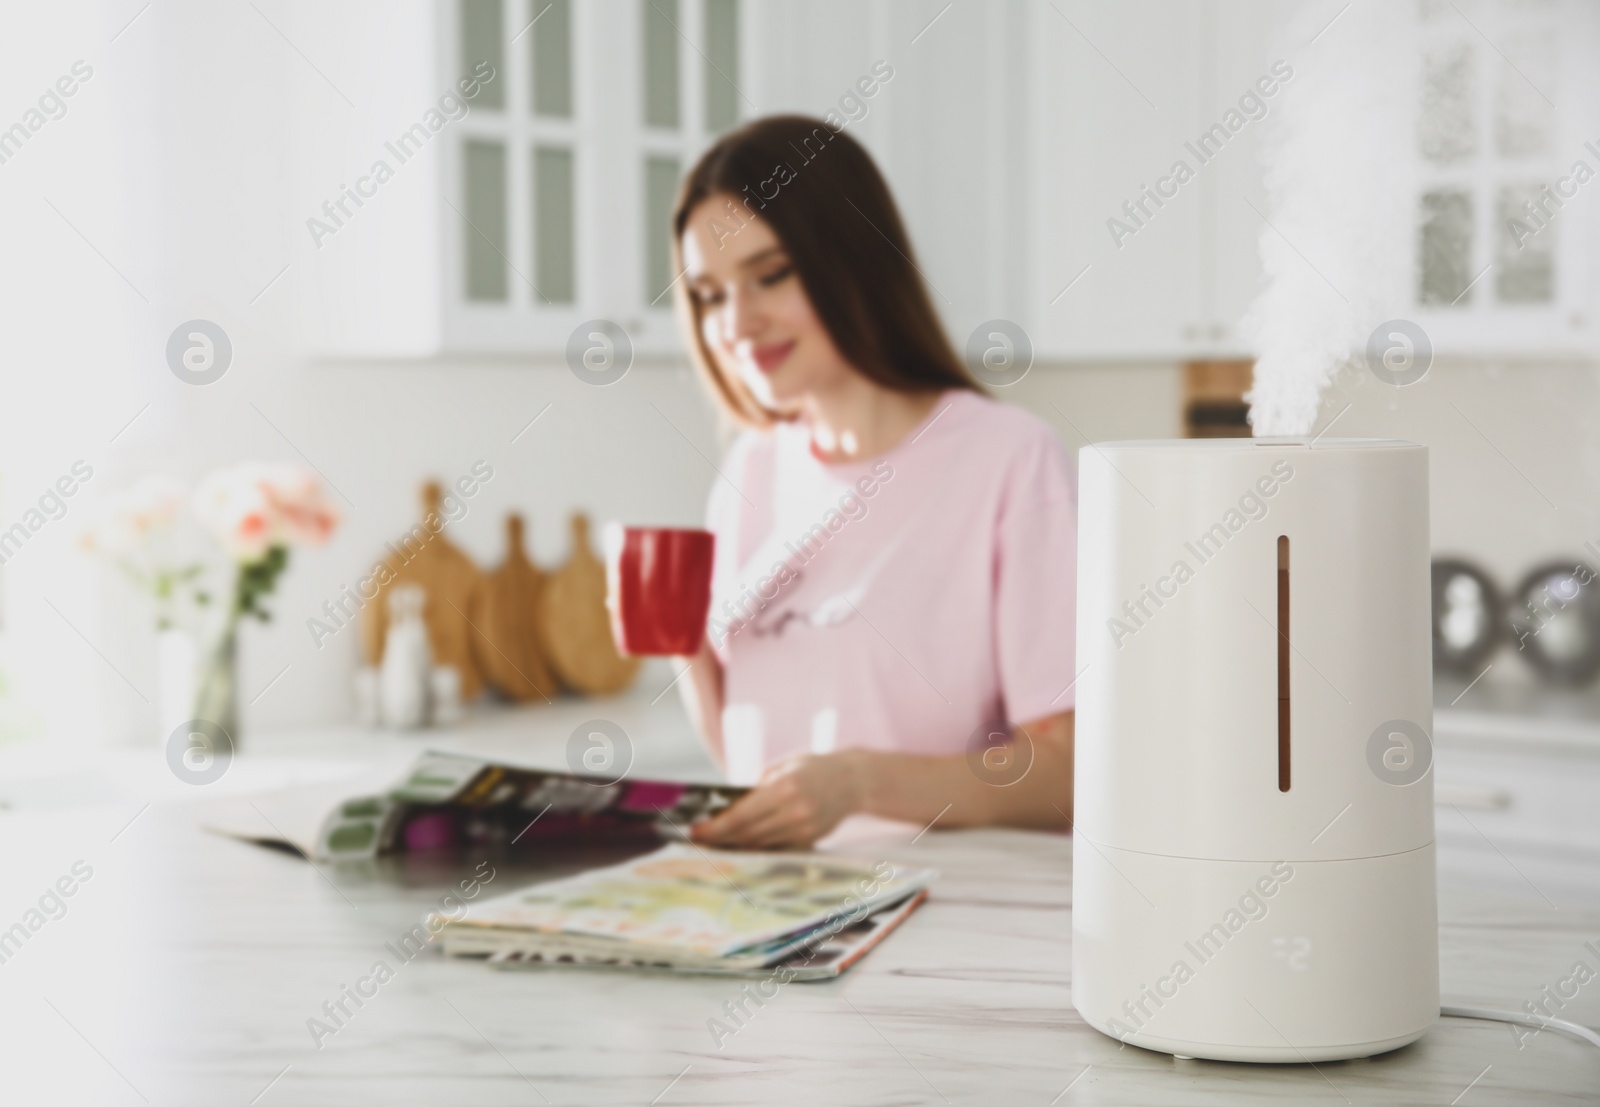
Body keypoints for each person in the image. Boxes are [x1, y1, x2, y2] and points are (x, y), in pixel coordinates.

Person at [671, 115, 1077, 850]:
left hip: (946, 920)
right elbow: (751, 764)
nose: (735, 322)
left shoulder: (1008, 459)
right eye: (707, 294)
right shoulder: (751, 471)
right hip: (774, 910)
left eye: (770, 275)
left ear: (853, 259)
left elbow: (1063, 772)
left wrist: (859, 782)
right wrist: (681, 643)